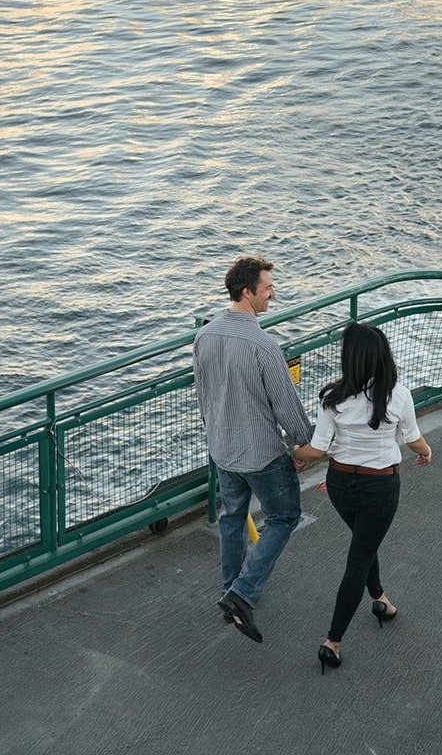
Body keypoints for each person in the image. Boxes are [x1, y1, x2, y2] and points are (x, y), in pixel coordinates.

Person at [293, 322, 432, 673]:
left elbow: (318, 449)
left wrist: (297, 452)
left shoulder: (332, 397)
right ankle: (333, 641)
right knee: (359, 557)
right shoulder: (397, 394)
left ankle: (380, 599)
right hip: (380, 487)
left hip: (340, 483)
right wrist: (427, 452)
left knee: (363, 543)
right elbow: (413, 439)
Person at [192, 255, 313, 644]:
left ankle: (229, 589)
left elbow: (203, 395)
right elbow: (287, 406)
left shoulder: (204, 336)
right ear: (247, 292)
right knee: (284, 516)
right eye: (267, 287)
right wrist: (304, 444)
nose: (273, 293)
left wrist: (215, 435)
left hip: (223, 447)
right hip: (261, 452)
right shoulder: (263, 345)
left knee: (232, 517)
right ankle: (242, 594)